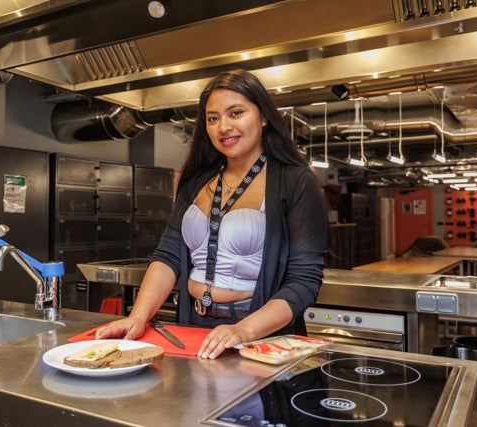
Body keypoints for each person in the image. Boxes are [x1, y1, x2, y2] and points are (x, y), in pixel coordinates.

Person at [94, 68, 328, 359]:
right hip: (192, 326)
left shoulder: (294, 181)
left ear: (264, 116)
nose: (223, 127)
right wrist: (138, 316)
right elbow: (168, 255)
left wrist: (243, 330)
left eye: (236, 113)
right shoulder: (196, 180)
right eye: (213, 118)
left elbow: (303, 281)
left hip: (258, 333)